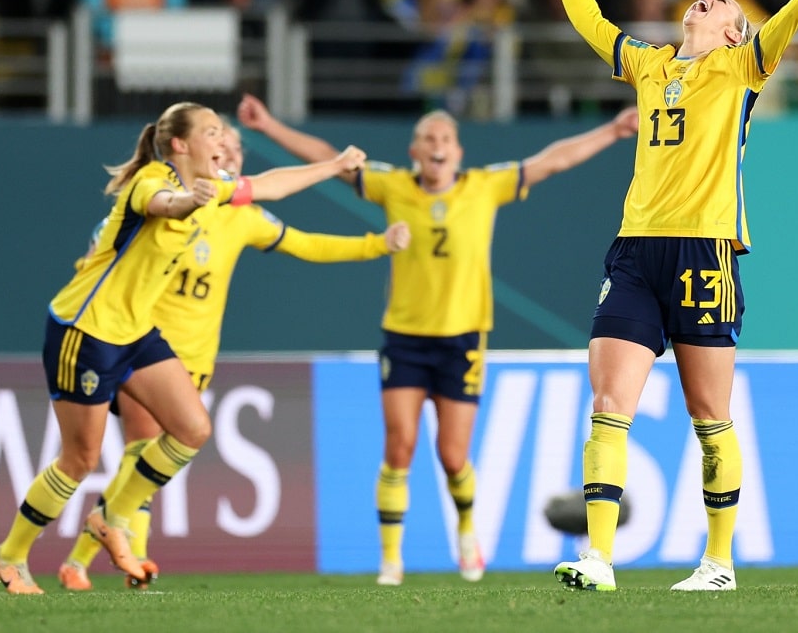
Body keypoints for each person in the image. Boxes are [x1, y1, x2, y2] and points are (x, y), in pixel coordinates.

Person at [543, 0, 798, 592]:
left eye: (720, 1)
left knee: (709, 415)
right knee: (609, 400)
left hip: (705, 253)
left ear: (734, 34)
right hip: (635, 251)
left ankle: (719, 562)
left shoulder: (743, 69)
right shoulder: (647, 64)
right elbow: (591, 23)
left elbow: (796, 10)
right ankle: (599, 558)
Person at [238, 93, 637, 586]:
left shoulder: (483, 187)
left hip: (463, 340)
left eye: (445, 138)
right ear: (415, 150)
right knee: (399, 446)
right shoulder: (393, 186)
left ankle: (467, 532)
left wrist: (613, 130)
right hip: (405, 336)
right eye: (428, 138)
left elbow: (549, 162)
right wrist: (270, 125)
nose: (437, 145)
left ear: (458, 151)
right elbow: (327, 157)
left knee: (453, 456)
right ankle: (391, 561)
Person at [0, 101, 366, 594]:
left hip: (134, 332)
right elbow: (163, 204)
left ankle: (113, 518)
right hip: (86, 331)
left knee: (191, 428)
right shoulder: (152, 181)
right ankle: (10, 556)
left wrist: (334, 166)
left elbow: (272, 183)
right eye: (212, 132)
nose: (223, 142)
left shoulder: (216, 190)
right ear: (180, 144)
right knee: (80, 460)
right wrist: (190, 201)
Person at [57, 122, 410, 591]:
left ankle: (79, 559)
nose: (229, 152)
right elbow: (110, 245)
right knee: (141, 448)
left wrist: (376, 245)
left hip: (197, 359)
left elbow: (306, 244)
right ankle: (134, 561)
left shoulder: (244, 216)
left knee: (151, 464)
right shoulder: (171, 200)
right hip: (143, 347)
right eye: (221, 144)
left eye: (237, 147)